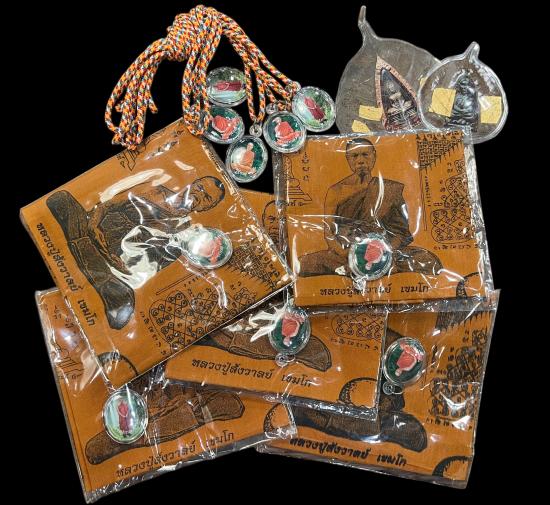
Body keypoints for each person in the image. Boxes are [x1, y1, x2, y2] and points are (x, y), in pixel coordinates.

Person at [46, 176, 226, 330]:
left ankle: (84, 251)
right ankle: (89, 258)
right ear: (192, 184)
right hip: (93, 230)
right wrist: (93, 226)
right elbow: (105, 206)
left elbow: (146, 266)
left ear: (206, 208)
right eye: (200, 187)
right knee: (61, 199)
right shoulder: (155, 190)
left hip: (110, 258)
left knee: (123, 305)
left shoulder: (183, 233)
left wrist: (120, 266)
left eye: (206, 197)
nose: (199, 194)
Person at [299, 138, 442, 277]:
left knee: (429, 260)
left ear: (374, 156)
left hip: (384, 249)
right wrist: (348, 254)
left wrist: (386, 251)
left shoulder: (389, 189)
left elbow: (400, 231)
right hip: (346, 251)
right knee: (304, 264)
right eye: (355, 156)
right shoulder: (336, 191)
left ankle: (372, 266)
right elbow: (329, 231)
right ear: (348, 159)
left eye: (365, 154)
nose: (360, 160)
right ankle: (360, 266)